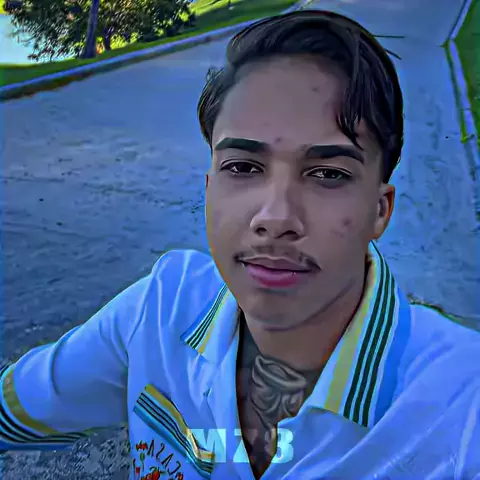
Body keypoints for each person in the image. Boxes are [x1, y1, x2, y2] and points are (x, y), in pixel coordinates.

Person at [1, 9, 479, 480]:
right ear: (209, 188)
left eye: (328, 174)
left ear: (380, 209)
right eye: (243, 167)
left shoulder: (463, 405)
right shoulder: (161, 310)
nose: (275, 218)